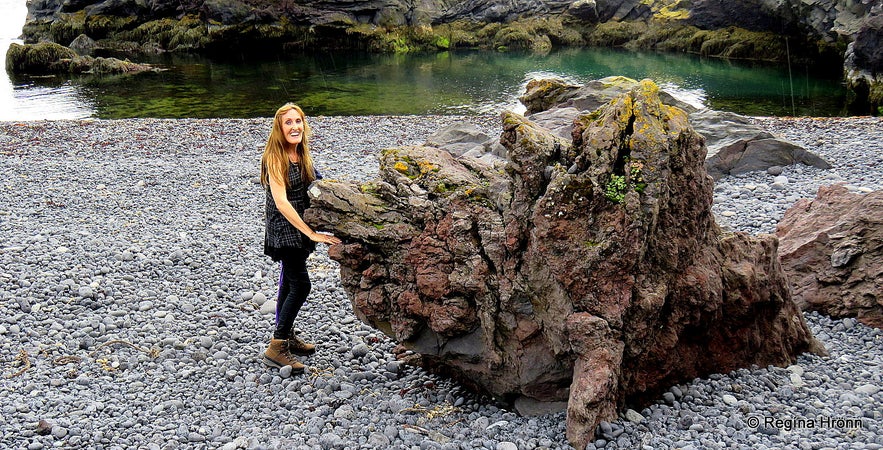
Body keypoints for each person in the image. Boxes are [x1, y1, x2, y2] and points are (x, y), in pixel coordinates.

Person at [260, 103, 341, 373]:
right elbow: (281, 202)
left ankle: (287, 335)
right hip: (285, 228)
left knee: (289, 283)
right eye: (288, 123)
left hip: (300, 224)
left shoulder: (301, 153)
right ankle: (277, 347)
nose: (295, 126)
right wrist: (312, 234)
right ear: (279, 128)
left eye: (298, 121)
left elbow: (319, 184)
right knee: (301, 285)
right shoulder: (275, 156)